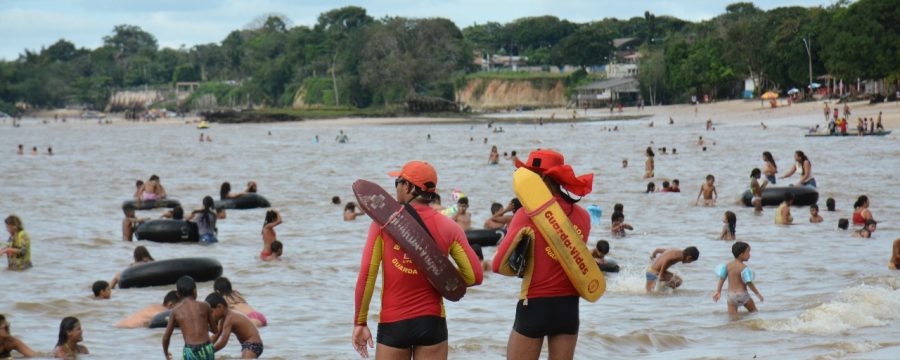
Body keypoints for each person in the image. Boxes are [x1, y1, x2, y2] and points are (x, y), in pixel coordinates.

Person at [354, 161, 483, 359]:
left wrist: (360, 322)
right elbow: (475, 276)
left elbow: (367, 273)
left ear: (408, 187)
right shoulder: (450, 227)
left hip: (393, 323)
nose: (395, 187)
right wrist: (440, 278)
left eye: (398, 181)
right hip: (431, 323)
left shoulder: (384, 223)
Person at [491, 149, 593, 360]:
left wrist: (521, 268)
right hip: (569, 309)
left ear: (543, 178)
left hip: (535, 305)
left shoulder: (526, 215)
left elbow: (498, 265)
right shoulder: (583, 216)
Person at [162, 276, 218, 360]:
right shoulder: (205, 306)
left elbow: (166, 337)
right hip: (207, 348)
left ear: (178, 294)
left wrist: (166, 354)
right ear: (194, 291)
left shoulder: (175, 311)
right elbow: (215, 330)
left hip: (191, 351)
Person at [712, 242, 764, 319]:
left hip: (731, 296)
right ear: (741, 254)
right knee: (754, 312)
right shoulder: (744, 268)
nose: (749, 255)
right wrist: (757, 294)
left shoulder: (727, 266)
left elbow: (722, 279)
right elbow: (749, 282)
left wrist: (718, 291)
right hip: (743, 295)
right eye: (748, 252)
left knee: (733, 318)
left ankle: (735, 329)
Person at [206, 293, 264, 359]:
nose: (211, 316)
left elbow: (223, 342)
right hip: (247, 345)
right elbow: (216, 335)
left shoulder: (229, 318)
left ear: (220, 307)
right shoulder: (222, 319)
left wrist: (209, 352)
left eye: (211, 312)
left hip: (253, 344)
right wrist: (203, 346)